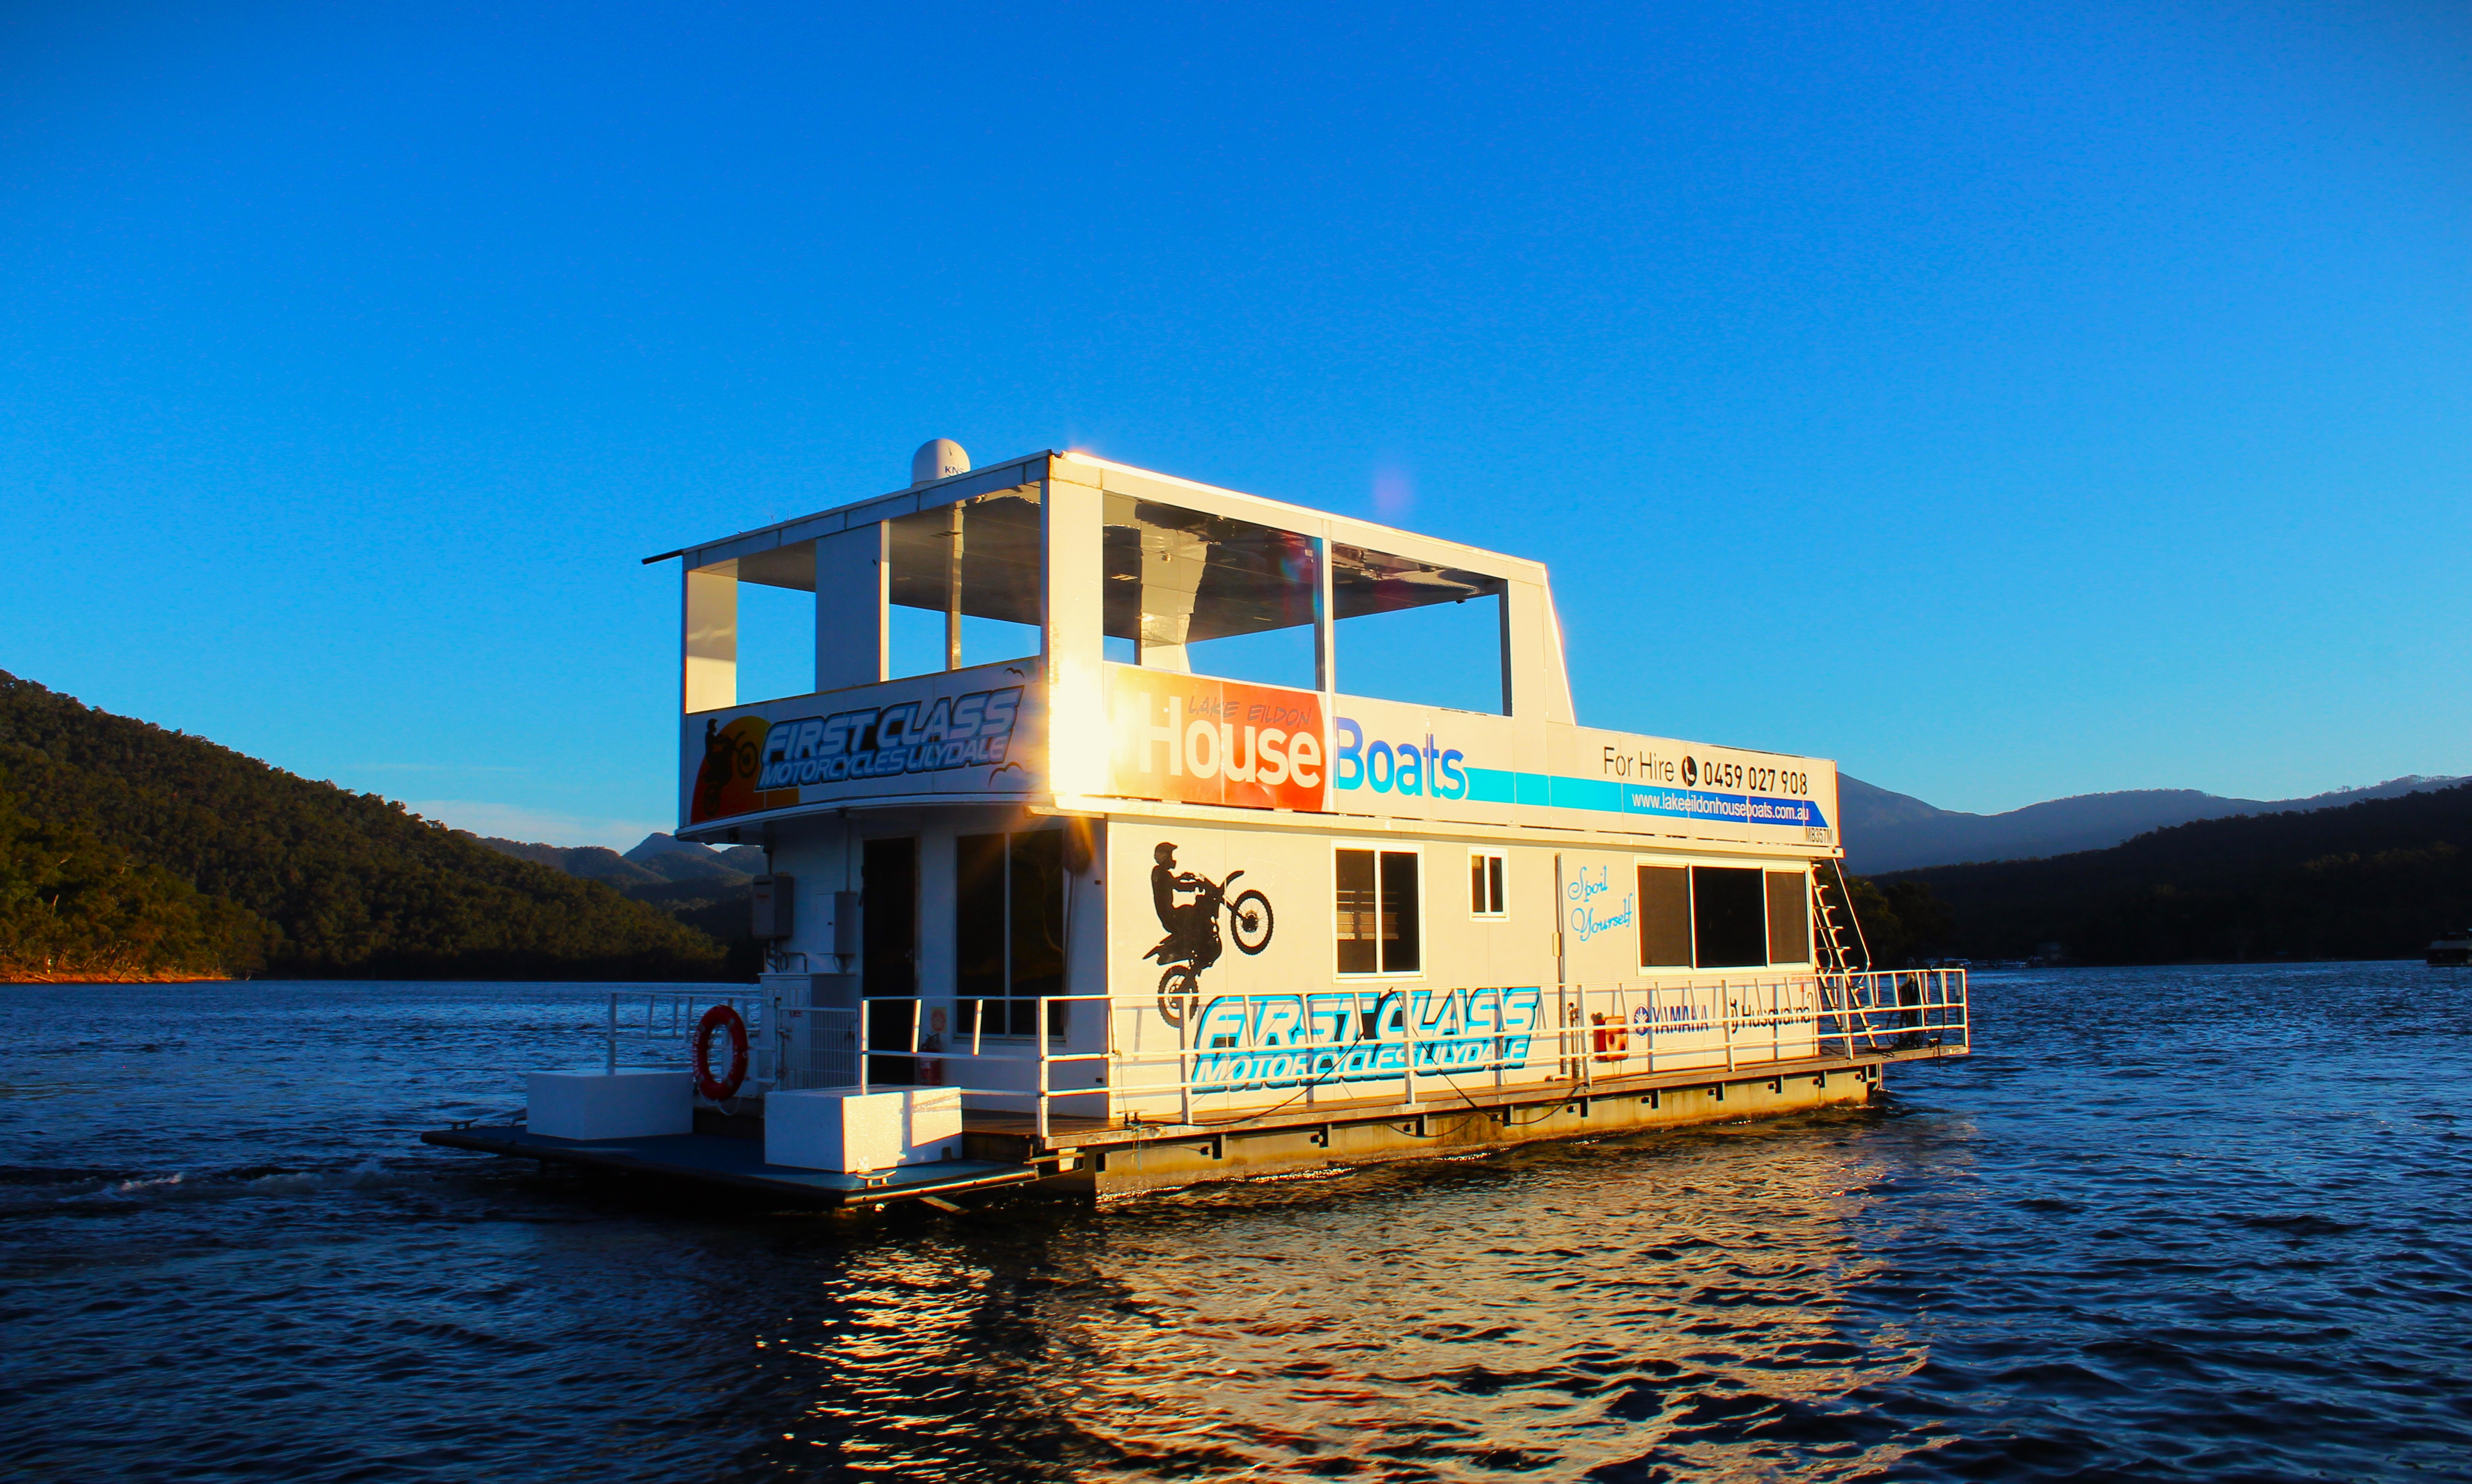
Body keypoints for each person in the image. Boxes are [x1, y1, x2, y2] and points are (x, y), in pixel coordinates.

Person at [1149, 842, 1213, 965]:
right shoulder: (1159, 872)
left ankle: (1201, 945)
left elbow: (1172, 882)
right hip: (1170, 916)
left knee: (1190, 911)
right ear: (1165, 857)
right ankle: (1196, 946)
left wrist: (1183, 878)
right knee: (1191, 912)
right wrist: (1195, 885)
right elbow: (1176, 886)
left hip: (1168, 916)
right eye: (1170, 855)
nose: (1172, 859)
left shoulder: (1161, 873)